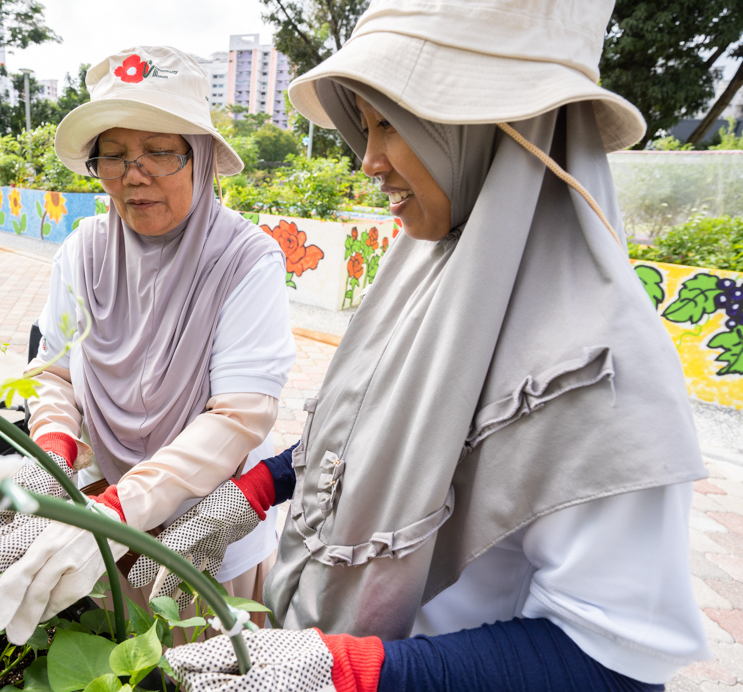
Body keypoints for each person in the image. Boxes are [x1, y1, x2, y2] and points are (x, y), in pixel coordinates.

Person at [148, 0, 712, 689]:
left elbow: (617, 658)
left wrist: (360, 672)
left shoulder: (597, 363)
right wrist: (265, 487)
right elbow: (397, 433)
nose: (368, 160)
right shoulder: (434, 262)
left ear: (489, 129)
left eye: (390, 123)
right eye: (365, 125)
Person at [0, 46, 296, 644]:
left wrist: (117, 512)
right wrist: (54, 451)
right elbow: (52, 373)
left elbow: (240, 417)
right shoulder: (84, 250)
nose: (134, 175)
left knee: (198, 653)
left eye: (159, 151)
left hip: (201, 531)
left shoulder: (245, 260)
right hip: (94, 518)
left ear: (202, 157)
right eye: (114, 155)